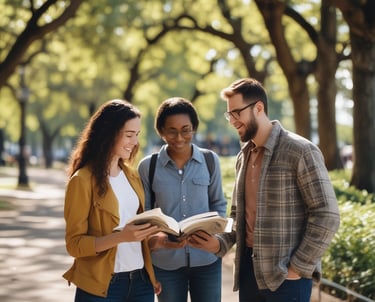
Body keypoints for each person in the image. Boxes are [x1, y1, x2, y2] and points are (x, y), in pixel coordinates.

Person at [213, 78, 340, 302]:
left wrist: (297, 268)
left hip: (286, 279)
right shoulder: (244, 155)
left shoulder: (300, 150)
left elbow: (326, 215)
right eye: (229, 114)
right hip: (249, 274)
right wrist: (219, 242)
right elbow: (237, 215)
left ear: (258, 108)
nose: (232, 121)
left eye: (236, 113)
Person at [63, 99, 161, 302]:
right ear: (108, 134)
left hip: (141, 282)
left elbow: (134, 233)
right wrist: (120, 237)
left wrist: (157, 239)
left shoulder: (132, 176)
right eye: (129, 135)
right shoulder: (81, 181)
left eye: (137, 135)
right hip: (103, 287)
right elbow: (74, 245)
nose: (135, 142)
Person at [137, 97, 227, 302]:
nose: (179, 137)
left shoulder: (210, 161)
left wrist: (214, 237)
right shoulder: (147, 167)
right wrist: (159, 240)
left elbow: (218, 204)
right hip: (165, 263)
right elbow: (145, 214)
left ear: (194, 128)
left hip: (207, 261)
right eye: (172, 130)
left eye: (186, 129)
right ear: (161, 131)